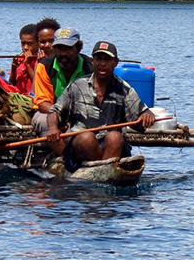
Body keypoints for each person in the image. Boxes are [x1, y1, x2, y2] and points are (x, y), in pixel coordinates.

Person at [46, 41, 155, 171]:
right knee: (87, 139)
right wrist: (53, 128)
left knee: (115, 137)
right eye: (99, 59)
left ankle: (104, 171)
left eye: (107, 60)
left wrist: (147, 115)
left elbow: (141, 112)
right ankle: (103, 170)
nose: (102, 64)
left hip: (111, 146)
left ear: (115, 62)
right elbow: (55, 111)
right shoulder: (77, 86)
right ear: (93, 61)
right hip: (80, 146)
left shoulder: (124, 89)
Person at [31, 27, 93, 135]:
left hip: (82, 113)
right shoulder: (45, 67)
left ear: (78, 48)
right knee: (44, 123)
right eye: (59, 48)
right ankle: (63, 151)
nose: (63, 53)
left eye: (67, 48)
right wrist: (63, 116)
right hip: (50, 112)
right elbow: (43, 103)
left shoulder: (89, 68)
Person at [8, 23, 38, 95]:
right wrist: (14, 69)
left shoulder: (40, 60)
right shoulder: (20, 59)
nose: (25, 47)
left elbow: (38, 83)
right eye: (23, 44)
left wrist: (27, 65)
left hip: (32, 99)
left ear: (38, 43)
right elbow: (11, 84)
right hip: (18, 99)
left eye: (30, 44)